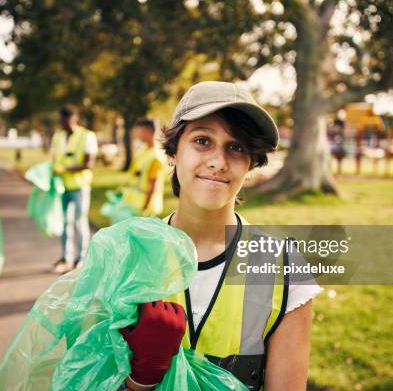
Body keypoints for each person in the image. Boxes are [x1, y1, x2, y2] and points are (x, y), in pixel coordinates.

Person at [119, 82, 322, 390]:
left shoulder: (285, 269)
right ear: (173, 152)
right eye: (202, 141)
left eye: (236, 147)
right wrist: (141, 377)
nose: (218, 162)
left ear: (251, 163)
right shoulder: (128, 256)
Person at [50, 105, 97, 273]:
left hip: (80, 187)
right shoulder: (58, 136)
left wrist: (66, 169)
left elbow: (89, 163)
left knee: (79, 222)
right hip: (61, 187)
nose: (63, 124)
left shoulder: (87, 136)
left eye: (66, 120)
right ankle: (66, 257)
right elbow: (54, 159)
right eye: (62, 121)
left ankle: (82, 258)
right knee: (63, 222)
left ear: (74, 118)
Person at [120, 119, 166, 217]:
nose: (137, 134)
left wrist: (145, 207)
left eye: (140, 131)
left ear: (148, 132)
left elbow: (153, 185)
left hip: (146, 208)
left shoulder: (155, 156)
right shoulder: (143, 149)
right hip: (135, 204)